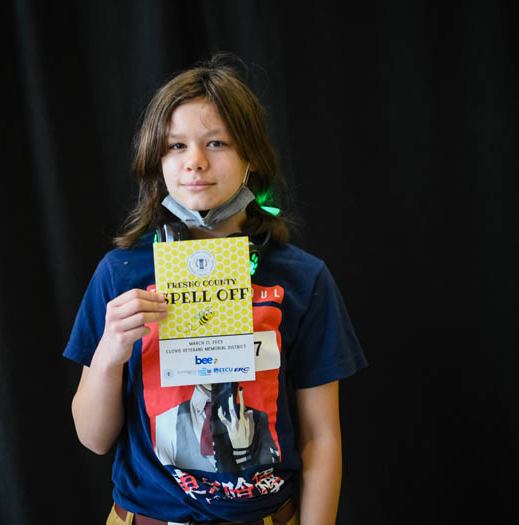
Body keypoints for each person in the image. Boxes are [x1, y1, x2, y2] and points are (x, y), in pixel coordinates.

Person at [65, 54, 367, 525]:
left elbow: (321, 436)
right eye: (176, 146)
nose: (195, 162)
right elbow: (94, 438)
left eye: (217, 143)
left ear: (251, 156)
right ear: (157, 160)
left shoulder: (302, 278)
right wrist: (109, 353)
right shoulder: (120, 273)